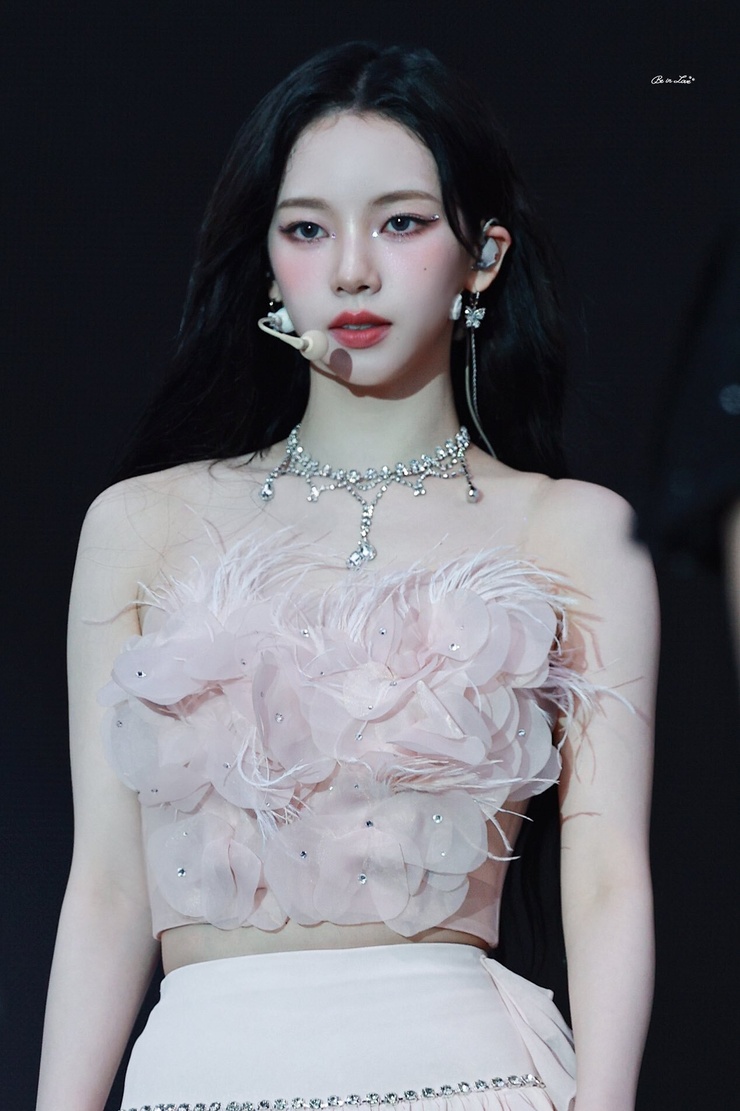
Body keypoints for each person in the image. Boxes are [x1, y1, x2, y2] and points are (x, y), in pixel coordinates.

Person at [36, 42, 657, 1111]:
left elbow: (605, 879)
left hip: (465, 1076)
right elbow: (105, 884)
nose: (352, 271)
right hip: (199, 1073)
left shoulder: (569, 530)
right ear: (268, 259)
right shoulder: (142, 524)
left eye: (401, 223)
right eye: (307, 229)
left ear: (483, 256)